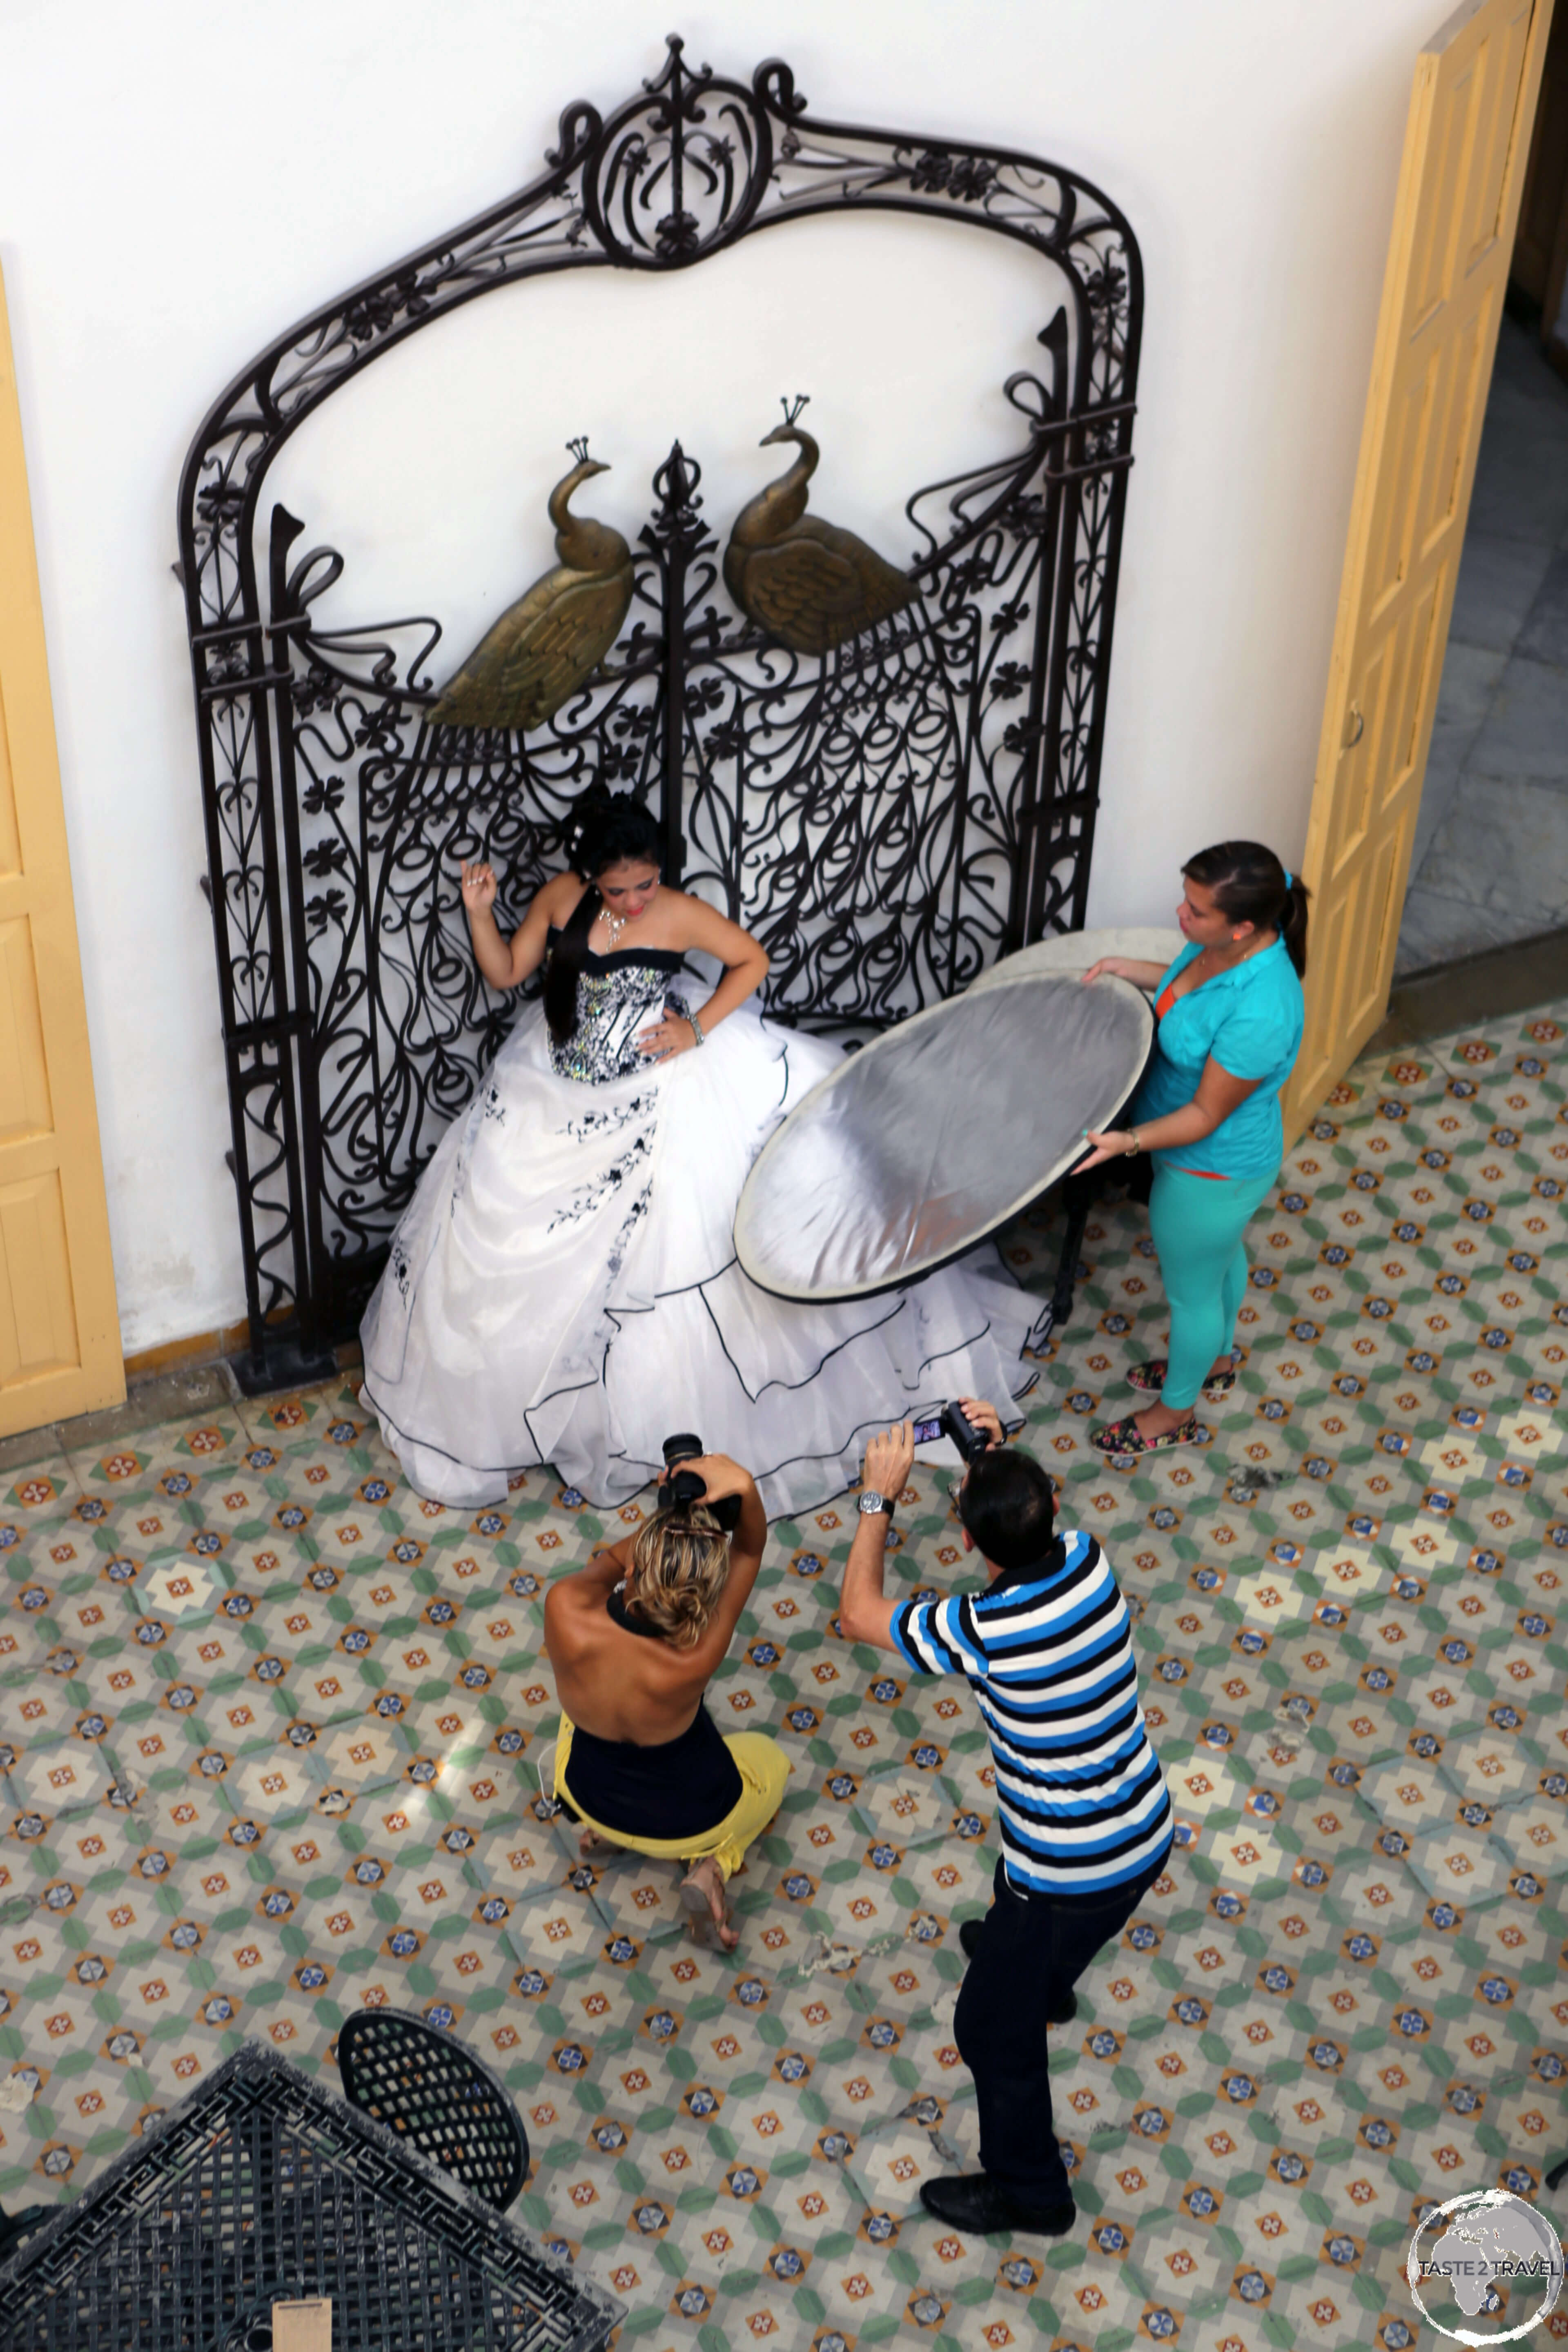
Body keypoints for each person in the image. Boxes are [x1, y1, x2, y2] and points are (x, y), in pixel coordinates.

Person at [359, 783, 1038, 1513]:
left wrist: (696, 1028)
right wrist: (479, 911)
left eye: (645, 883)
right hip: (555, 1091)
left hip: (660, 1088)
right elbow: (505, 972)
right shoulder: (562, 898)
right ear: (590, 878)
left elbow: (751, 960)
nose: (633, 901)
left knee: (678, 1245)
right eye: (617, 889)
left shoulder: (676, 912)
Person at [838, 1404, 1173, 2236]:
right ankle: (1043, 1980)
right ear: (1053, 1505)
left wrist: (878, 1502)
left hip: (1063, 1873)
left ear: (970, 1547)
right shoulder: (1090, 1563)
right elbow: (1016, 1524)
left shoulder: (985, 1629)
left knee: (988, 2032)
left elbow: (858, 1613)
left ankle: (1031, 2192)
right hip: (1144, 1830)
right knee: (1021, 1922)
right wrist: (986, 1455)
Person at [1075, 842, 1308, 1455]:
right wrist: (1133, 968)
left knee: (1192, 1294)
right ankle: (1218, 1359)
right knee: (1220, 1259)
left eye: (1196, 911)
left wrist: (1128, 1142)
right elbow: (1188, 989)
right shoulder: (1222, 948)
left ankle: (1174, 1413)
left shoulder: (1263, 1010)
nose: (1182, 915)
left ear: (1244, 928)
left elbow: (1206, 1114)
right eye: (1187, 898)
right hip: (1203, 1160)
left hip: (1210, 1169)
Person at [543, 1450, 785, 1948]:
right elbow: (749, 1551)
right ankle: (709, 1868)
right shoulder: (695, 1657)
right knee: (770, 1762)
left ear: (637, 1568)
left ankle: (602, 1833)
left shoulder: (564, 1609)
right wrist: (745, 1485)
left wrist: (668, 1523)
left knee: (578, 1711)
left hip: (586, 1791)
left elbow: (610, 1561)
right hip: (686, 1823)